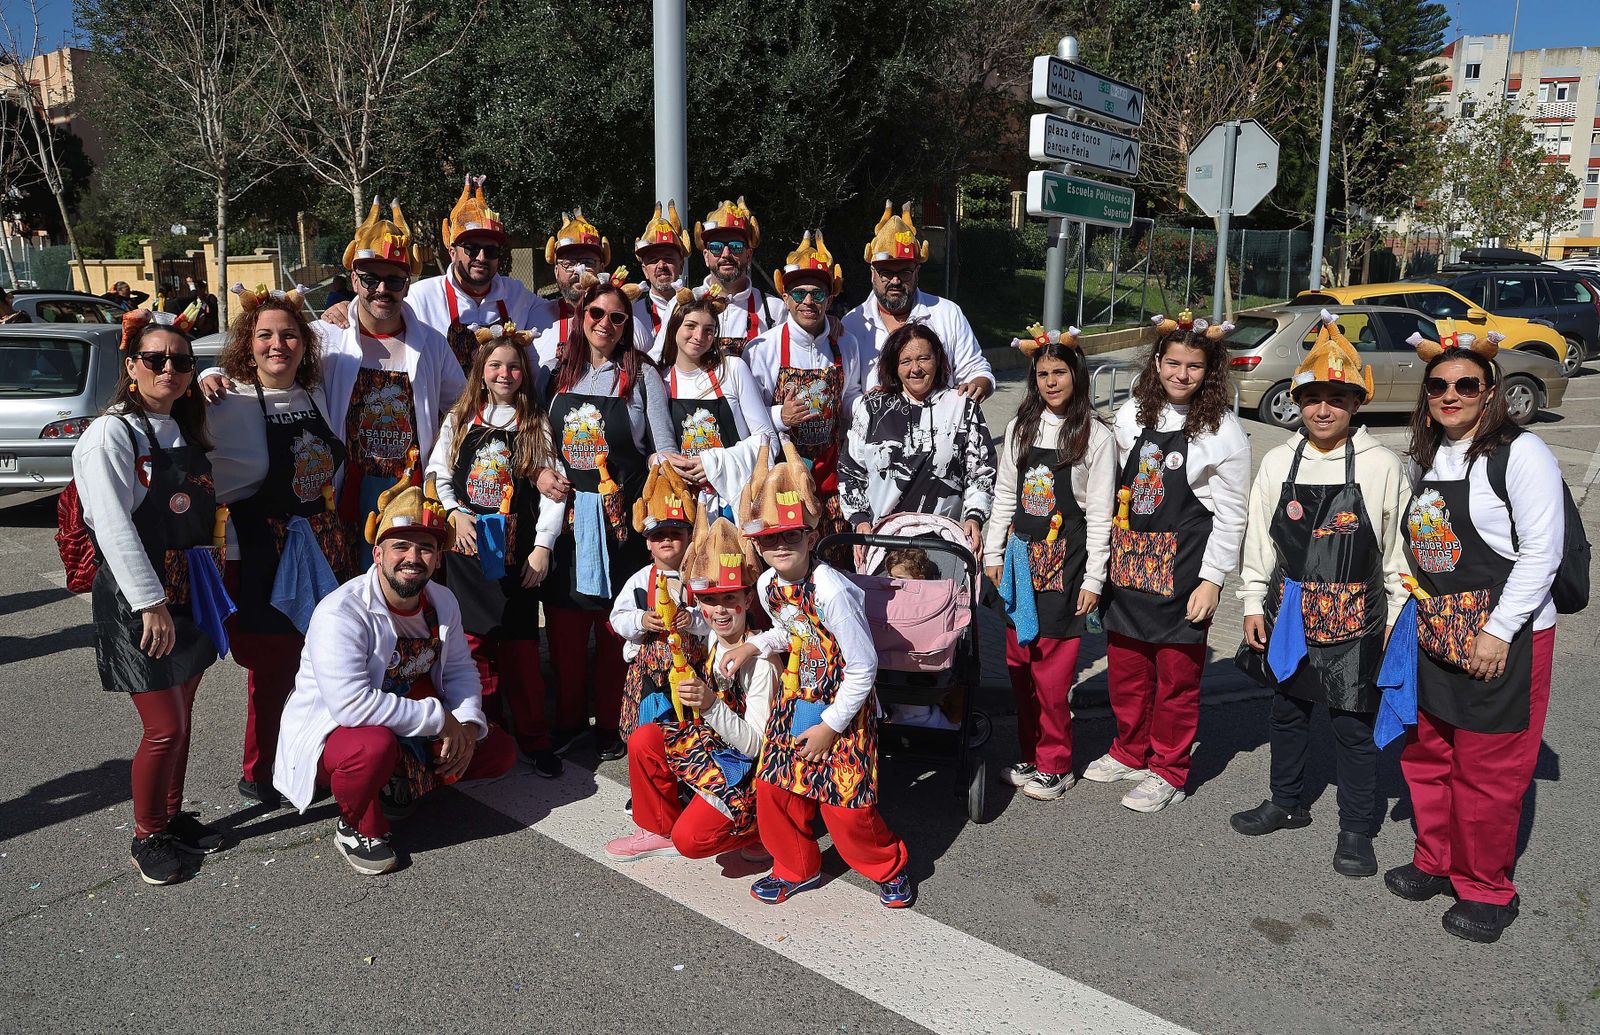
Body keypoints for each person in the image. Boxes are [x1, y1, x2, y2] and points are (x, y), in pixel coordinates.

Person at [1386, 324, 1564, 944]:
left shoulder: (1522, 453)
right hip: (1438, 629)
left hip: (1504, 635)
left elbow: (1542, 553)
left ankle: (1487, 888)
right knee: (1430, 754)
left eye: (1466, 384)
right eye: (1439, 385)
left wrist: (1498, 630)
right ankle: (1436, 859)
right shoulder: (1426, 455)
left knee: (1489, 770)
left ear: (1489, 391)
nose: (1451, 395)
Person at [1233, 313, 1411, 877]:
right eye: (1312, 399)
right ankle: (1286, 802)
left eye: (1337, 398)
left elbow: (1397, 551)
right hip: (1288, 611)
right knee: (1286, 712)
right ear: (1298, 403)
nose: (1323, 410)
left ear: (1357, 403)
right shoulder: (1278, 461)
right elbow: (1260, 538)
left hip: (1358, 617)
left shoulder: (1381, 465)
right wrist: (1252, 601)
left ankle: (1356, 829)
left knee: (1352, 726)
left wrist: (1397, 615)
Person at [272, 477, 515, 876]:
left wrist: (467, 725)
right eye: (401, 546)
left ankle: (398, 786)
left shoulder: (442, 601)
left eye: (425, 548)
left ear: (438, 558)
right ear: (378, 553)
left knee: (498, 750)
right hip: (343, 733)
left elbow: (459, 669)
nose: (412, 557)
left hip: (407, 720)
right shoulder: (341, 613)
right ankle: (355, 825)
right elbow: (351, 706)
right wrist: (440, 720)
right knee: (373, 748)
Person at [719, 441, 914, 908]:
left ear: (811, 537)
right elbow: (793, 631)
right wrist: (754, 645)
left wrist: (831, 725)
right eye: (770, 539)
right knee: (775, 786)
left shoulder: (830, 588)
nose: (780, 546)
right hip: (797, 695)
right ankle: (795, 866)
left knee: (846, 805)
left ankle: (888, 865)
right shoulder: (767, 585)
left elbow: (863, 665)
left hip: (844, 704)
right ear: (757, 545)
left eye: (791, 536)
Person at [73, 310, 228, 885]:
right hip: (142, 598)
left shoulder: (182, 426)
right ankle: (147, 835)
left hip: (190, 588)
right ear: (131, 366)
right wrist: (150, 603)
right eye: (155, 359)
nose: (169, 369)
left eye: (181, 361)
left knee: (182, 717)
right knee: (163, 725)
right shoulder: (111, 434)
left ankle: (170, 816)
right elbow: (112, 526)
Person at [1092, 312, 1251, 813]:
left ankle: (1168, 768)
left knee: (1177, 680)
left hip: (1185, 571)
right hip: (1129, 564)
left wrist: (1213, 581)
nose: (1182, 375)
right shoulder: (1131, 413)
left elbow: (1232, 515)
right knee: (1127, 671)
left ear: (1210, 371)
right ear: (1157, 362)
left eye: (1195, 366)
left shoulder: (1223, 431)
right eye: (1174, 363)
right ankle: (1129, 750)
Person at [206, 285, 348, 808]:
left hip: (321, 546)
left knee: (321, 663)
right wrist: (203, 376)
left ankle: (309, 760)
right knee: (272, 670)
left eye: (289, 335)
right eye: (265, 335)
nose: (277, 345)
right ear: (248, 344)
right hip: (262, 553)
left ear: (305, 346)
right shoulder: (228, 400)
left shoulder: (315, 393)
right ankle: (261, 770)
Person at [540, 280, 679, 760]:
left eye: (617, 317)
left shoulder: (641, 374)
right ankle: (568, 720)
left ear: (627, 325)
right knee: (565, 626)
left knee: (614, 627)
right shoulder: (558, 372)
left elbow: (662, 448)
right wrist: (539, 473)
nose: (605, 323)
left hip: (623, 521)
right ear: (581, 316)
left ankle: (610, 722)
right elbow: (536, 438)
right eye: (596, 313)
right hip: (568, 518)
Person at [425, 325, 564, 778]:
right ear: (481, 371)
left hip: (516, 553)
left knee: (521, 651)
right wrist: (453, 513)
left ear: (525, 373)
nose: (504, 373)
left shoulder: (534, 423)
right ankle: (484, 734)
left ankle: (534, 738)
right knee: (473, 651)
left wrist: (542, 546)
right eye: (495, 365)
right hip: (468, 552)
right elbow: (438, 473)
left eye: (513, 366)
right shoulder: (461, 417)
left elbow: (553, 493)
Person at [983, 327, 1115, 801]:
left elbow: (1100, 515)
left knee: (1052, 676)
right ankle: (1031, 753)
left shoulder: (1096, 436)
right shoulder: (1022, 427)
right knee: (1019, 668)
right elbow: (1004, 494)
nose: (1051, 382)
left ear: (1076, 374)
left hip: (1066, 566)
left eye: (1059, 372)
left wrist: (1094, 578)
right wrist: (993, 552)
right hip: (1020, 563)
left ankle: (1056, 764)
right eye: (1042, 374)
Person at [606, 510, 775, 863]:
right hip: (713, 746)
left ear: (747, 600)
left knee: (692, 841)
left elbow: (755, 747)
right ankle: (657, 828)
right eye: (710, 600)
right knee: (645, 738)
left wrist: (710, 704)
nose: (720, 610)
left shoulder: (761, 661)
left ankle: (765, 827)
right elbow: (622, 623)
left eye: (730, 598)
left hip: (748, 767)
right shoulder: (711, 638)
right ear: (698, 602)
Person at [838, 322, 995, 558]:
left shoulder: (962, 406)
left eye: (924, 358)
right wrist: (859, 520)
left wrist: (974, 516)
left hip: (942, 543)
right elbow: (850, 471)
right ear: (894, 365)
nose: (916, 369)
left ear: (938, 360)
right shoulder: (872, 407)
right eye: (906, 361)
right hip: (881, 541)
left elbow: (981, 471)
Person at [746, 231, 864, 542]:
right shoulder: (762, 349)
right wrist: (780, 416)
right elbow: (746, 416)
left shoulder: (847, 344)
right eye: (799, 294)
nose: (808, 302)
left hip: (832, 475)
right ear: (785, 298)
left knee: (834, 553)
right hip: (782, 475)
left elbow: (850, 397)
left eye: (818, 294)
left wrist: (870, 409)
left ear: (830, 298)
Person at [842, 201, 994, 402]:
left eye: (904, 272)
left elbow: (976, 370)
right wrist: (868, 408)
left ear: (917, 272)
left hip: (939, 422)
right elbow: (846, 393)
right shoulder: (852, 323)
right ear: (872, 274)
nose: (895, 281)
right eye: (886, 272)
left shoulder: (948, 313)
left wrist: (978, 384)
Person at [405, 175, 552, 371]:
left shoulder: (517, 294)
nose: (481, 257)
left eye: (491, 250)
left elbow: (561, 310)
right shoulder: (421, 297)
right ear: (452, 252)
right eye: (471, 249)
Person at [658, 287, 778, 520]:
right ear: (674, 327)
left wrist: (715, 463)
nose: (699, 336)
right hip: (684, 504)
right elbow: (652, 450)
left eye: (708, 330)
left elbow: (768, 441)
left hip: (737, 501)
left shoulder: (732, 370)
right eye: (690, 326)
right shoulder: (661, 380)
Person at [608, 462, 709, 739]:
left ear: (689, 537)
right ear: (647, 543)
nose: (667, 540)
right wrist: (641, 620)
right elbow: (617, 618)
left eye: (676, 534)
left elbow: (715, 619)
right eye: (658, 536)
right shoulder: (640, 580)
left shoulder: (699, 577)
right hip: (650, 674)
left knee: (692, 725)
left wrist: (693, 619)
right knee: (651, 730)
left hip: (692, 669)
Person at [530, 210, 652, 367]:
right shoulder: (536, 318)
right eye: (568, 264)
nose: (578, 270)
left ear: (601, 269)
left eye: (588, 262)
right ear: (556, 271)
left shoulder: (627, 325)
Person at [693, 196, 784, 357]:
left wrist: (828, 323)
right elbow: (660, 361)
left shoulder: (774, 309)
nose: (726, 254)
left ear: (748, 255)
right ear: (706, 256)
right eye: (716, 247)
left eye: (736, 246)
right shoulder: (685, 303)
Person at [632, 201, 691, 356]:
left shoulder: (697, 309)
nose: (661, 265)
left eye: (668, 258)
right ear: (645, 271)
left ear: (681, 265)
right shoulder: (632, 314)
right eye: (653, 260)